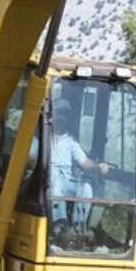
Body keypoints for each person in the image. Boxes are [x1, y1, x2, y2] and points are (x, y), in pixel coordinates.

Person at [49, 98, 110, 229]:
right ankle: (60, 225)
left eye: (65, 113)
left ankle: (78, 226)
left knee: (85, 187)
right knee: (56, 182)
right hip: (47, 179)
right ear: (51, 113)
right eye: (59, 112)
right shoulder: (42, 135)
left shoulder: (70, 139)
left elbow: (83, 161)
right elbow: (31, 157)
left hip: (66, 180)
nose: (61, 117)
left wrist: (98, 167)